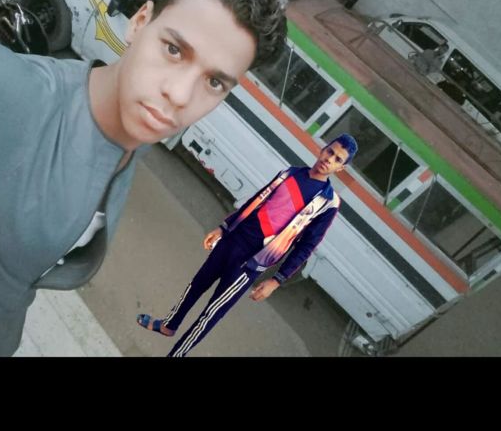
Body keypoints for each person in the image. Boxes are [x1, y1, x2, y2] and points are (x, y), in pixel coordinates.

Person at [0, 0, 286, 356]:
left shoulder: (131, 140)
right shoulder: (3, 87)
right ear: (139, 23)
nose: (179, 94)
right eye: (174, 50)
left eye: (214, 82)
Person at [137, 133, 358, 357]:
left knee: (211, 314)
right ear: (323, 149)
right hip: (233, 239)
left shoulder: (328, 203)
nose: (329, 159)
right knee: (196, 285)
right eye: (330, 151)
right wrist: (224, 227)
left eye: (337, 159)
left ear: (341, 168)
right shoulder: (292, 172)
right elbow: (257, 199)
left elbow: (306, 247)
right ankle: (169, 325)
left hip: (251, 261)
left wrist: (276, 280)